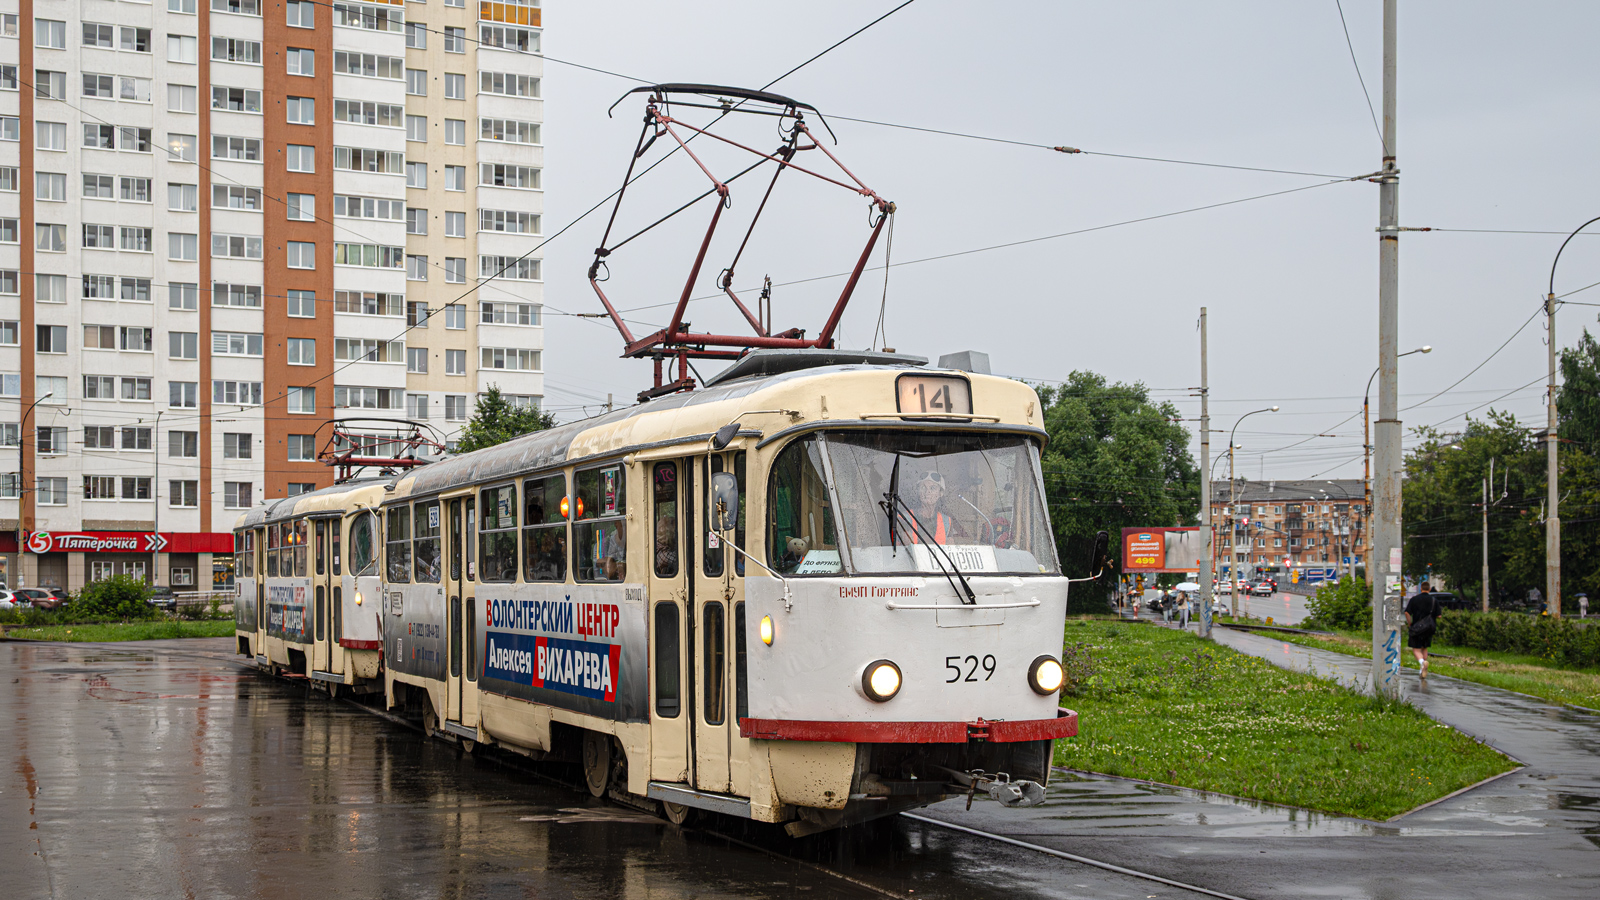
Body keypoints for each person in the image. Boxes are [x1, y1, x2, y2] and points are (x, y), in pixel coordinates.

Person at [1405, 584, 1441, 679]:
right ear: (1429, 589)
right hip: (1429, 628)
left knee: (1416, 649)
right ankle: (1422, 671)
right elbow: (1439, 615)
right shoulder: (1434, 600)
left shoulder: (1414, 599)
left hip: (1417, 628)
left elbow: (1407, 612)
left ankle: (1422, 663)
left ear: (1421, 588)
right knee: (1424, 647)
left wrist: (1410, 623)